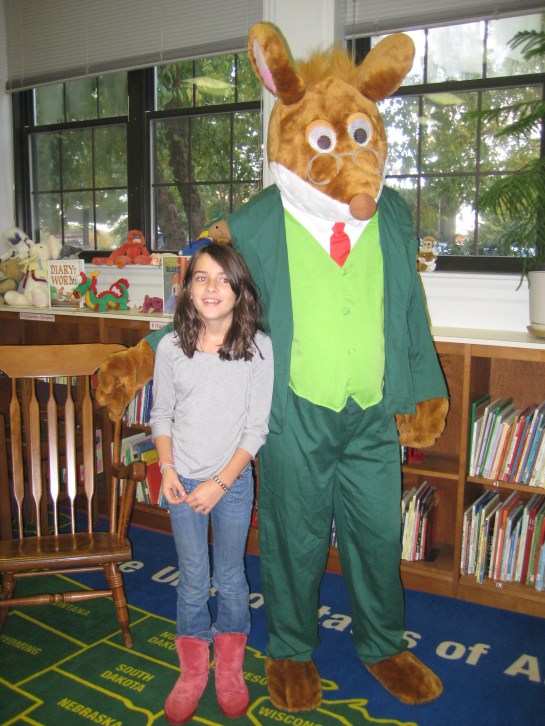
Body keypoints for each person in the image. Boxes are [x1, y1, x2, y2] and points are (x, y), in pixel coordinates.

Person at [150, 243, 274, 725]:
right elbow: (161, 414)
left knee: (229, 577)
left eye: (224, 279)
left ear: (239, 291)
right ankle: (192, 670)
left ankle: (230, 669)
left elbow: (256, 429)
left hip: (232, 483)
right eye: (201, 277)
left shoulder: (258, 348)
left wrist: (220, 483)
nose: (212, 288)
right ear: (187, 289)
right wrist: (167, 469)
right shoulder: (170, 347)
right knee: (192, 577)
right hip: (180, 481)